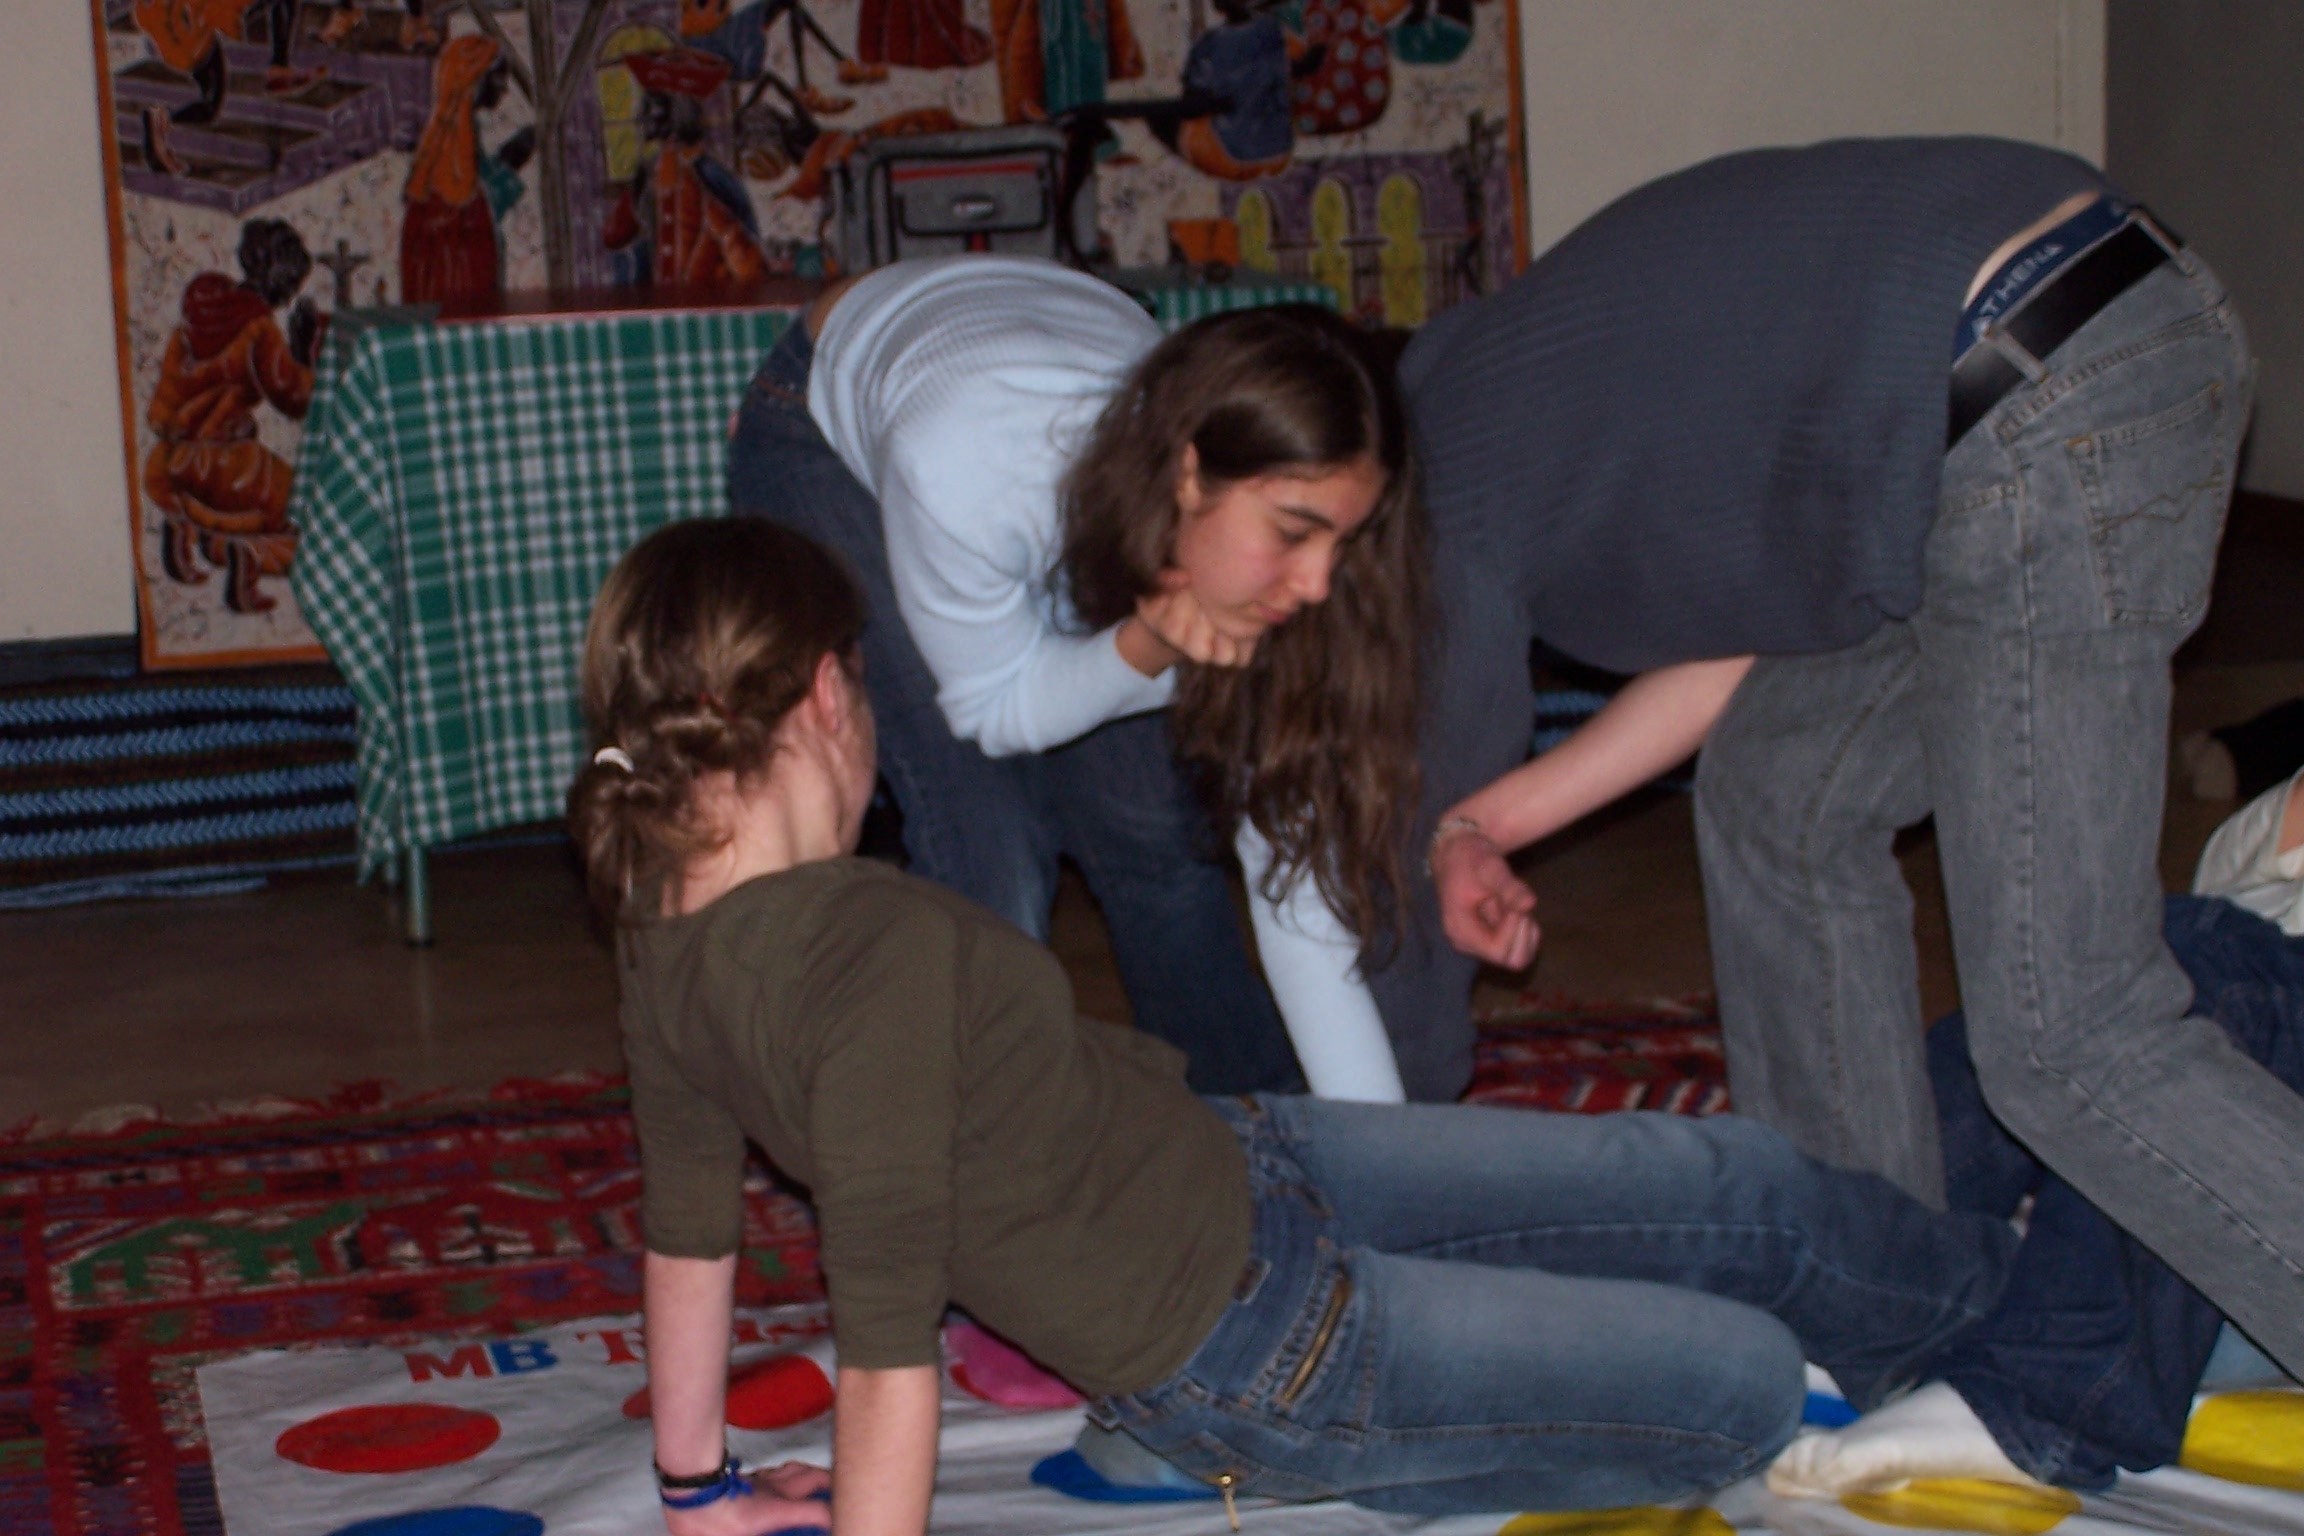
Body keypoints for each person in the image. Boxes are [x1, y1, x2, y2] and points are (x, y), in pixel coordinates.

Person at [564, 516, 2017, 1534]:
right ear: (831, 696)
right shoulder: (856, 954)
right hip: (1255, 1349)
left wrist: (699, 1494)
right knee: (1742, 1383)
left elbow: (688, 1233)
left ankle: (2035, 1319)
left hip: (1250, 1159)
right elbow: (885, 1348)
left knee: (1738, 1183)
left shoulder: (659, 933)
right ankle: (1269, 1448)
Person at [1350, 136, 2301, 1376]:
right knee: (1782, 793)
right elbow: (1743, 664)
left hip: (2040, 397)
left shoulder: (1446, 490)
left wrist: (1388, 1166)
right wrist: (1488, 827)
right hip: (2111, 330)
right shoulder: (1519, 398)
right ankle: (1879, 1292)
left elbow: (1407, 928)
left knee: (2071, 1030)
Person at [726, 254, 1421, 1098]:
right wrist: (1145, 646)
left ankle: (1252, 1123)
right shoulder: (967, 472)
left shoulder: (1266, 556)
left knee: (1154, 831)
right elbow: (994, 710)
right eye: (1294, 531)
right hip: (829, 422)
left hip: (1039, 379)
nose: (1316, 583)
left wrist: (1374, 1145)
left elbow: (1299, 898)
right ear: (1191, 476)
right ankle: (959, 1145)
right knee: (990, 843)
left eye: (1343, 541)